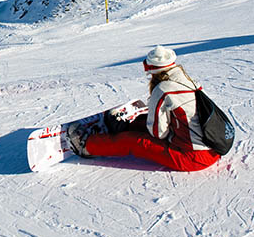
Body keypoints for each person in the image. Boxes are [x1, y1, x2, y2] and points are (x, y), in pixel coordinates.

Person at [69, 45, 220, 171]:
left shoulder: (163, 89)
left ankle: (86, 145)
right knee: (149, 120)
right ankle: (121, 128)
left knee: (135, 141)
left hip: (191, 157)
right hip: (212, 149)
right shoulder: (188, 81)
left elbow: (158, 133)